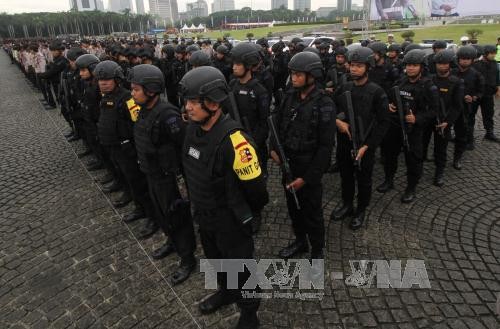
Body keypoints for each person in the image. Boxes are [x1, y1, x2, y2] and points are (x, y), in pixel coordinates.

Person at [180, 66, 268, 329]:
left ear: (214, 103)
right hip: (205, 215)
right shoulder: (193, 130)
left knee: (241, 269)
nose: (188, 107)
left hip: (230, 220)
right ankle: (226, 292)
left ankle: (250, 313)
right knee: (216, 260)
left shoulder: (237, 142)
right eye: (187, 101)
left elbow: (257, 192)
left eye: (194, 102)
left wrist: (245, 217)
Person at [130, 64, 196, 285]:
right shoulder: (145, 110)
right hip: (152, 174)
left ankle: (187, 258)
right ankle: (171, 241)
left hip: (169, 177)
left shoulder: (168, 114)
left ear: (151, 90)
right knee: (161, 213)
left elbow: (184, 145)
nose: (132, 93)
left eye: (136, 89)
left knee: (178, 216)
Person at [270, 52, 335, 258]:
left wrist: (307, 178)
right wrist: (273, 148)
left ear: (312, 75)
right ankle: (300, 241)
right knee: (294, 209)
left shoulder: (324, 104)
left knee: (312, 213)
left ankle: (317, 250)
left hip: (309, 168)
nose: (294, 78)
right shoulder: (289, 97)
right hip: (289, 164)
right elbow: (277, 125)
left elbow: (326, 147)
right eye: (292, 74)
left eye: (299, 74)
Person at [93, 60, 157, 239]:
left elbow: (137, 125)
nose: (103, 82)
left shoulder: (128, 99)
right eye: (100, 79)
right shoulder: (105, 97)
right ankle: (139, 207)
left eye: (107, 79)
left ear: (117, 80)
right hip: (114, 148)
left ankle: (152, 216)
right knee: (128, 180)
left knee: (139, 183)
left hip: (128, 150)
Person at [331, 47, 390, 229]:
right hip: (344, 142)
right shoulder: (344, 87)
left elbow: (383, 123)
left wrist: (368, 146)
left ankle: (361, 210)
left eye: (358, 66)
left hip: (365, 145)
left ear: (368, 67)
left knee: (364, 180)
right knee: (346, 176)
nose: (353, 69)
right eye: (352, 65)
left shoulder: (377, 92)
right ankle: (347, 204)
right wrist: (337, 122)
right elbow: (330, 107)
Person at [376, 49, 439, 202]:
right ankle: (389, 180)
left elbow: (434, 110)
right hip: (395, 126)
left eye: (414, 65)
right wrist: (389, 106)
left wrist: (417, 118)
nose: (410, 68)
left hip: (414, 129)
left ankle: (411, 187)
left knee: (414, 159)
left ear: (421, 67)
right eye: (408, 65)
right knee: (390, 156)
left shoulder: (428, 86)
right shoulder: (400, 82)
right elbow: (390, 98)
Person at [422, 49, 464, 186]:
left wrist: (448, 122)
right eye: (439, 63)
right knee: (422, 145)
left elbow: (457, 106)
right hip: (428, 119)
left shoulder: (456, 82)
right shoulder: (428, 80)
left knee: (440, 149)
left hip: (443, 121)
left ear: (450, 64)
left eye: (445, 63)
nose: (441, 66)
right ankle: (419, 168)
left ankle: (439, 172)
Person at [452, 46, 484, 157]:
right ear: (458, 59)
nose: (465, 60)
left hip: (468, 105)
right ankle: (457, 137)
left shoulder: (476, 74)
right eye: (462, 58)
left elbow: (480, 91)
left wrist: (473, 97)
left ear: (471, 60)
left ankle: (469, 141)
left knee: (468, 123)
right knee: (455, 122)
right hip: (454, 104)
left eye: (468, 58)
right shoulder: (453, 72)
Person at [472, 45, 500, 142]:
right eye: (492, 53)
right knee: (471, 114)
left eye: (495, 53)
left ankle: (489, 133)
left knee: (488, 114)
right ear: (485, 53)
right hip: (476, 94)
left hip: (488, 94)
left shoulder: (494, 63)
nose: (494, 55)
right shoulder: (476, 64)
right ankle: (469, 136)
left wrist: (497, 88)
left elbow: (496, 76)